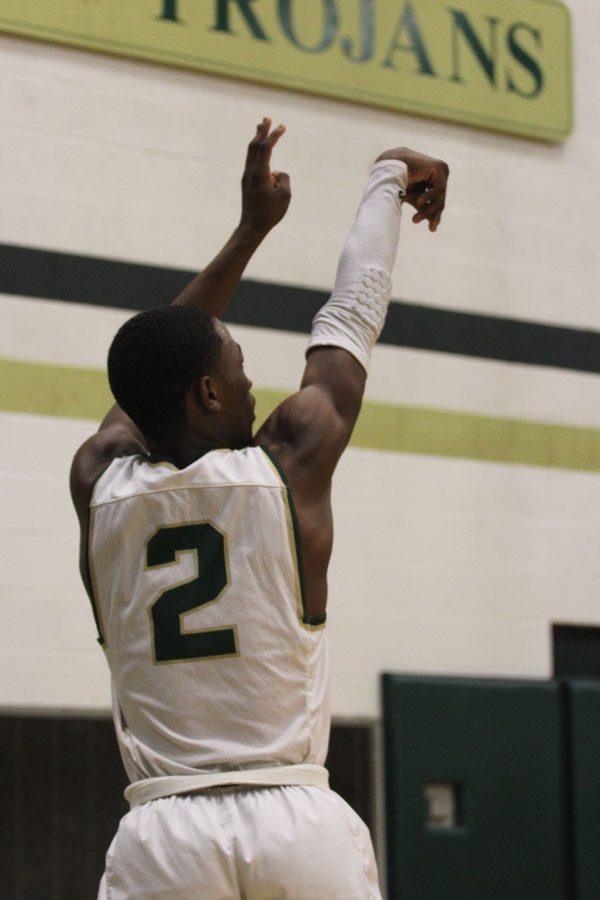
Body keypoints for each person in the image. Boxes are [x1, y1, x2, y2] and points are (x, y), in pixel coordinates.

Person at [70, 117, 449, 900]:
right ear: (209, 393)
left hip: (163, 829)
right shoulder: (288, 465)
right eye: (238, 368)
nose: (250, 382)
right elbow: (349, 322)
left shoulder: (98, 482)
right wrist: (388, 178)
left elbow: (147, 370)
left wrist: (246, 235)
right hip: (295, 823)